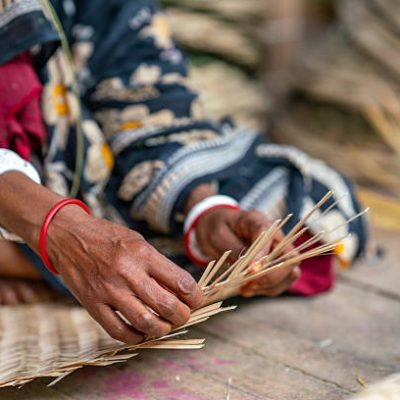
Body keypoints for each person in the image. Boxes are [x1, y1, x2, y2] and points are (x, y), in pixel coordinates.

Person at [0, 0, 368, 344]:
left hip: (59, 150)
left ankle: (26, 259)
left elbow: (138, 77)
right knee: (130, 265)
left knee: (306, 205)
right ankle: (28, 255)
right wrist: (60, 230)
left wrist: (203, 210)